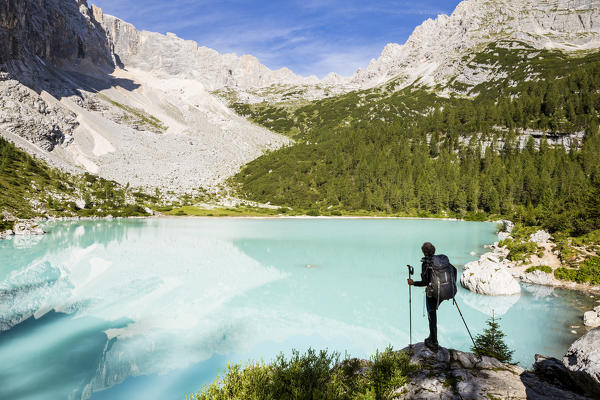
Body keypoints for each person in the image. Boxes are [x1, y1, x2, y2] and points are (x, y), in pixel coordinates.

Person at [407, 242, 439, 352]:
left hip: (431, 293)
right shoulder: (438, 261)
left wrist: (413, 283)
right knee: (433, 315)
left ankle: (434, 342)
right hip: (440, 292)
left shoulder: (426, 263)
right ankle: (432, 337)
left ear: (424, 251)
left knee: (432, 316)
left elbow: (425, 282)